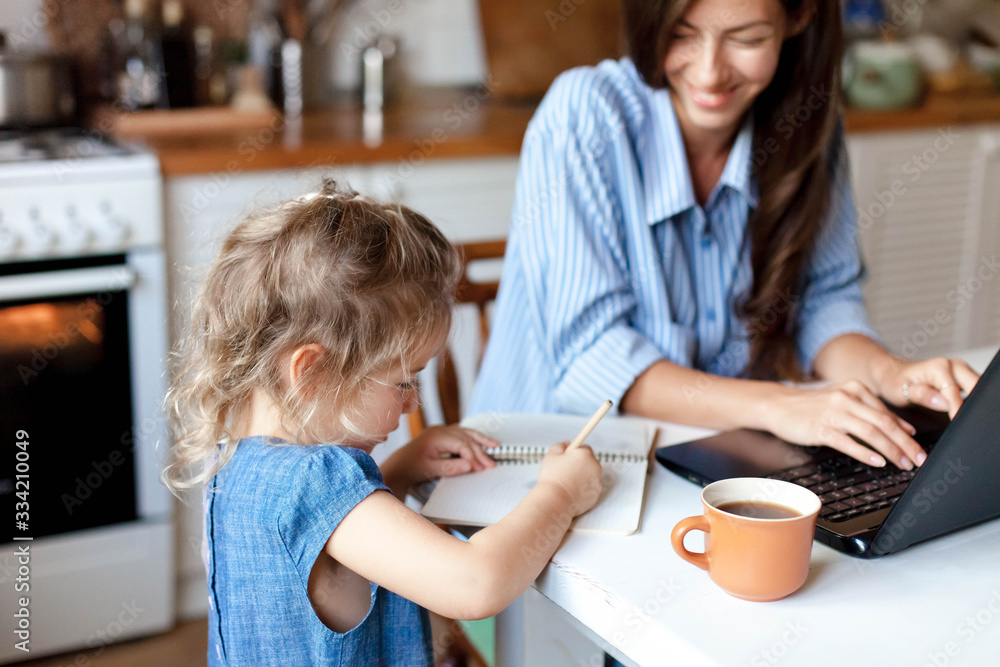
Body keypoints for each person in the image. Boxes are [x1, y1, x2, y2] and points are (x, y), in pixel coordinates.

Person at [470, 0, 980, 471]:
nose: (709, 71)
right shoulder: (583, 116)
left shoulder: (807, 124)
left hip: (696, 461)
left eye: (747, 39)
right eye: (683, 33)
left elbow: (825, 301)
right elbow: (593, 358)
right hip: (528, 475)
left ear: (798, 17)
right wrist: (779, 406)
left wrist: (891, 374)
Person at [163, 181, 603, 666]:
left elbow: (331, 552)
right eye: (404, 381)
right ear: (311, 372)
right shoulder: (314, 482)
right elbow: (476, 583)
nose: (413, 404)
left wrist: (397, 471)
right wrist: (560, 494)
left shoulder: (235, 464)